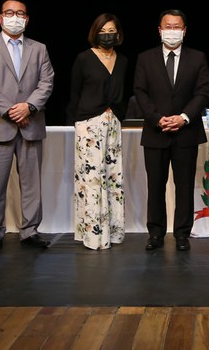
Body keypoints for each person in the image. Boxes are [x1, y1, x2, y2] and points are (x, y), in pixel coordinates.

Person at [0, 0, 55, 253]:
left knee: (31, 184)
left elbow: (47, 82)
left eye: (20, 13)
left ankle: (30, 231)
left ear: (27, 19)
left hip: (31, 124)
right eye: (9, 13)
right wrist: (11, 111)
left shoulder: (39, 48)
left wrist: (29, 107)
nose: (15, 17)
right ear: (0, 18)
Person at [133, 9, 209, 251]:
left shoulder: (197, 58)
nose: (172, 31)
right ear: (159, 30)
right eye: (168, 26)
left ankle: (182, 234)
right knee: (155, 186)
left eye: (177, 27)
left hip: (186, 133)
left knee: (184, 186)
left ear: (184, 31)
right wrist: (158, 119)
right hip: (156, 132)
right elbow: (140, 92)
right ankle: (155, 234)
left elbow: (202, 92)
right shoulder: (145, 58)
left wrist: (184, 117)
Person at [66, 13, 128, 250]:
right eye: (102, 31)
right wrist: (76, 122)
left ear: (118, 34)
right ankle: (93, 236)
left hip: (113, 123)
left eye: (111, 31)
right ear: (95, 33)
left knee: (113, 178)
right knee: (91, 180)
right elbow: (75, 93)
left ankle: (113, 231)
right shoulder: (84, 59)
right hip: (89, 123)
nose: (107, 35)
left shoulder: (123, 60)